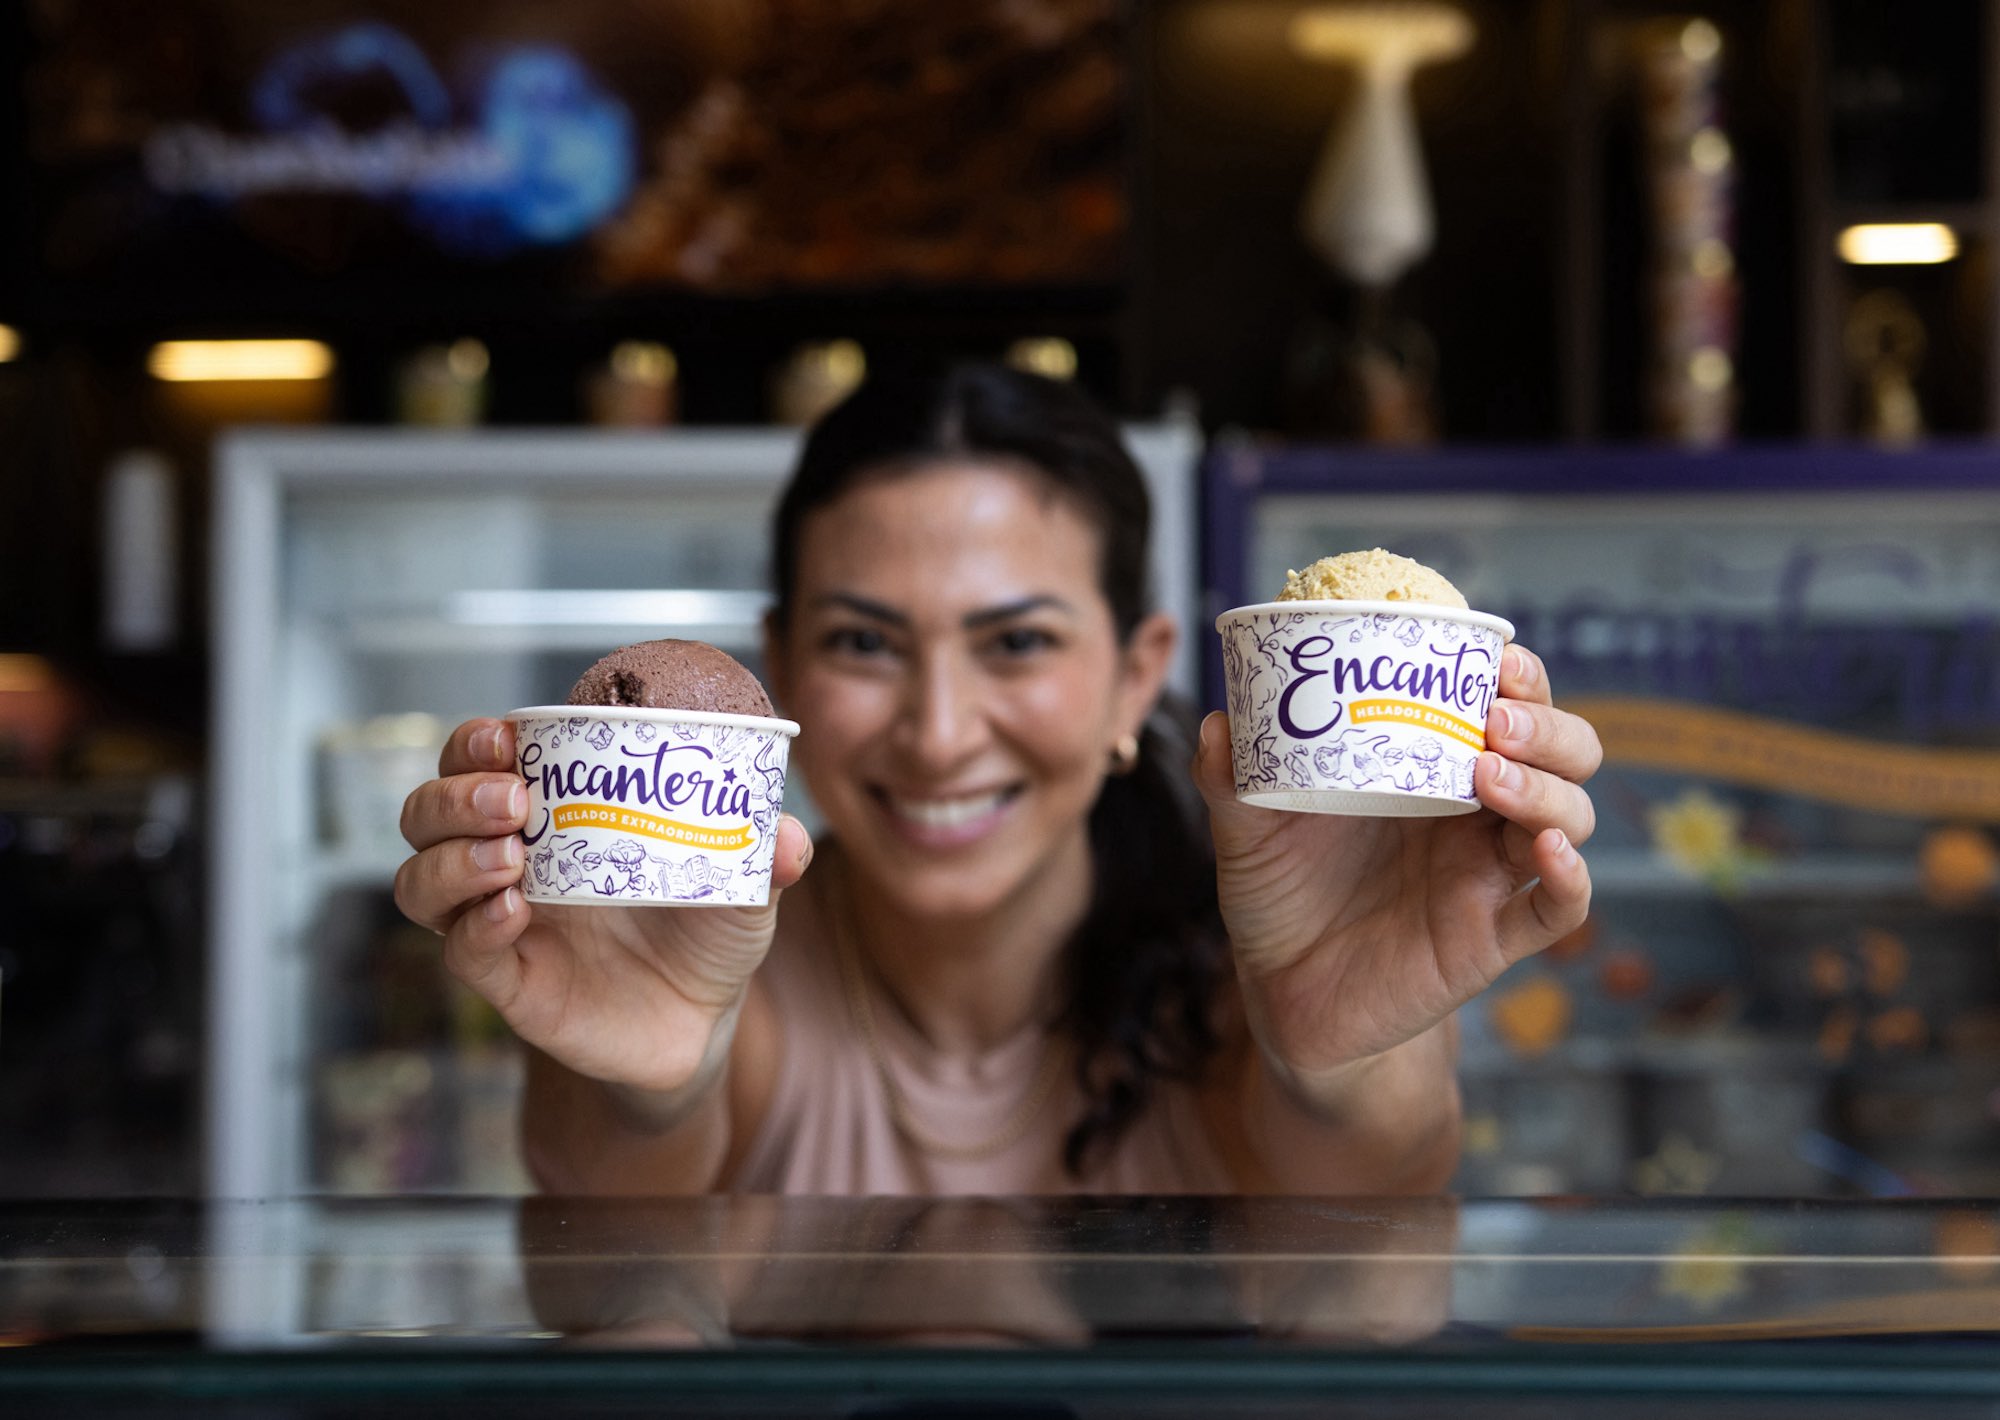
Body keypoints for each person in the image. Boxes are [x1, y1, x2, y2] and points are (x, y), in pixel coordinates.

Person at [394, 364, 1601, 1194]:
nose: (937, 733)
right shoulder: (707, 965)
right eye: (863, 642)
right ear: (780, 669)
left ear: (1135, 677)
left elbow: (1371, 1300)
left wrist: (1339, 1062)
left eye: (1017, 641)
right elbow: (610, 1291)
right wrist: (637, 1089)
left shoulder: (1245, 987)